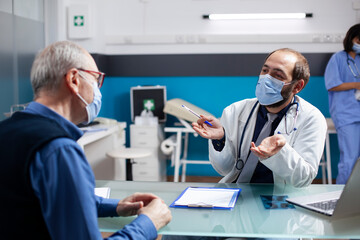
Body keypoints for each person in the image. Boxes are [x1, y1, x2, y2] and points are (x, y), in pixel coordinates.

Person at [0, 41, 171, 239]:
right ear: (74, 79)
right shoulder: (58, 149)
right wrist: (149, 223)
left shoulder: (7, 130)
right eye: (96, 80)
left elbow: (37, 201)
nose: (98, 90)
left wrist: (115, 206)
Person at [192, 48, 327, 187]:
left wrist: (278, 154)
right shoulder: (234, 111)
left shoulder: (312, 118)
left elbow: (303, 179)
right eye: (265, 71)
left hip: (279, 200)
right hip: (236, 192)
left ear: (297, 86)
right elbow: (224, 170)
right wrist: (220, 139)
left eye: (278, 75)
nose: (267, 78)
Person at [324, 24, 360, 184]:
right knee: (350, 158)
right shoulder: (338, 58)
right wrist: (356, 85)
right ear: (351, 39)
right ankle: (339, 197)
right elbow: (332, 84)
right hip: (346, 114)